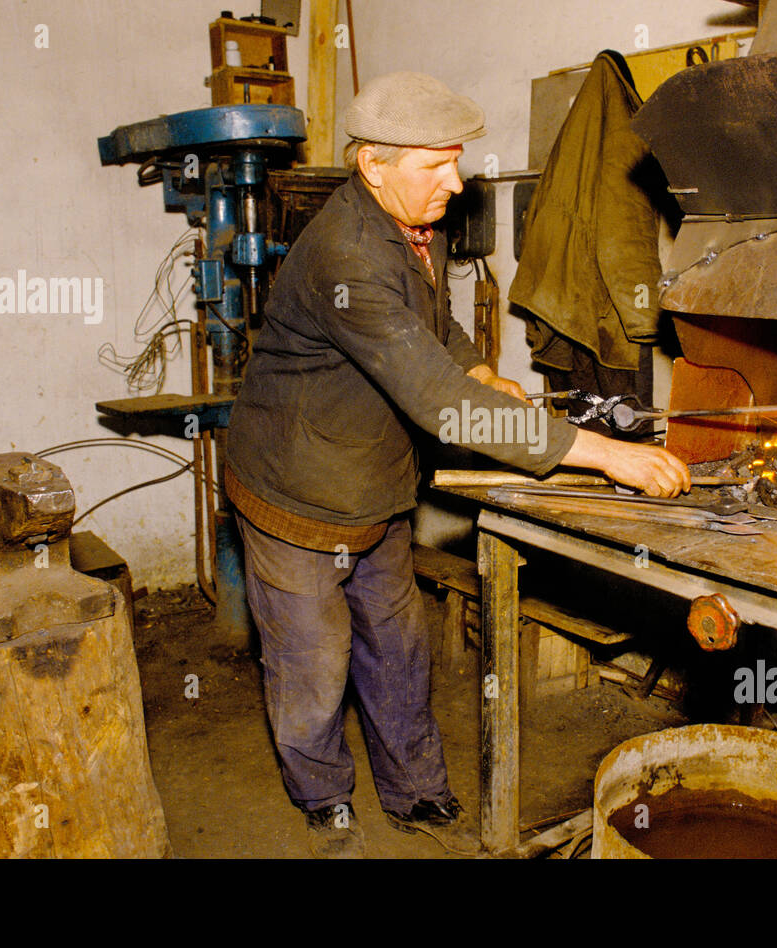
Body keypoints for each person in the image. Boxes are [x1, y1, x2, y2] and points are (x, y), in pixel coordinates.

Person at [224, 71, 690, 857]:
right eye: (435, 165)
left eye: (457, 160)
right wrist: (609, 457)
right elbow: (442, 406)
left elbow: (436, 331)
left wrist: (476, 368)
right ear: (373, 165)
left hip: (374, 488)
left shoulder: (420, 224)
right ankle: (324, 800)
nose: (457, 180)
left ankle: (415, 791)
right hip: (297, 494)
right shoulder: (344, 256)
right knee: (312, 668)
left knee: (399, 648)